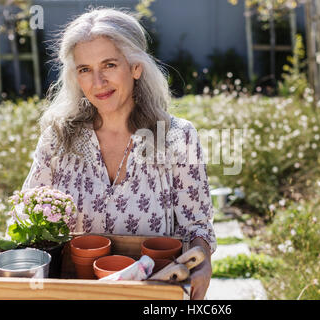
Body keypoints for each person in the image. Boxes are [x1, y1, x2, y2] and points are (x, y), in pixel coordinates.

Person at [21, 8, 216, 300]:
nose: (97, 82)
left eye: (109, 65)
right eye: (85, 69)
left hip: (152, 295)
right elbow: (28, 216)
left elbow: (196, 226)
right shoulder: (57, 138)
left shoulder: (177, 136)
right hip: (74, 293)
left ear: (135, 67)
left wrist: (203, 263)